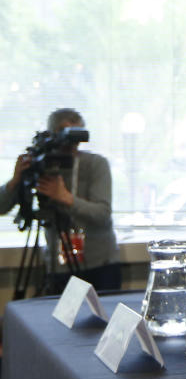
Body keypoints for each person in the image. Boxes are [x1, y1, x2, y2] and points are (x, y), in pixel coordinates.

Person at [0, 108, 120, 294]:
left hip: (99, 265)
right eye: (66, 136)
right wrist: (15, 181)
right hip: (58, 266)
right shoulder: (40, 165)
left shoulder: (95, 164)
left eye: (76, 136)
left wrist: (66, 198)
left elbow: (102, 215)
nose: (72, 144)